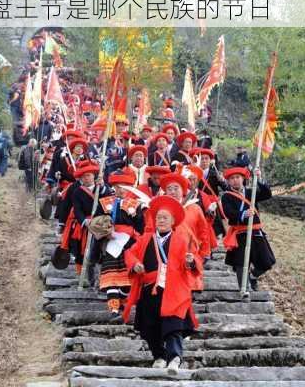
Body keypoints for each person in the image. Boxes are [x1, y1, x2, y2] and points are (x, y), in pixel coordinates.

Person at [123, 195, 200, 373]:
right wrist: (135, 264)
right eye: (158, 217)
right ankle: (159, 355)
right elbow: (129, 254)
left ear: (173, 221)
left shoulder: (181, 239)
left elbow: (192, 261)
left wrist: (190, 261)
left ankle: (175, 358)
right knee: (149, 326)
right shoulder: (145, 239)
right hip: (150, 288)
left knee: (173, 324)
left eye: (165, 217)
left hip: (174, 288)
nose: (162, 220)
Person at [92, 168, 145, 321]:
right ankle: (113, 309)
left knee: (126, 277)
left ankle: (123, 302)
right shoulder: (104, 203)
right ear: (114, 188)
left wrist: (138, 216)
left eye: (124, 187)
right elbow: (96, 222)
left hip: (129, 244)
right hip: (109, 242)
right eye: (118, 187)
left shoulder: (135, 205)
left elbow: (141, 227)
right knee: (112, 277)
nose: (121, 190)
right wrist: (104, 230)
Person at [221, 167, 276, 292]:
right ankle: (243, 289)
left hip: (256, 232)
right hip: (240, 233)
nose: (235, 181)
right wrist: (243, 214)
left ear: (243, 179)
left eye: (237, 177)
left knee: (268, 261)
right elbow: (228, 212)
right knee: (240, 263)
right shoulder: (227, 197)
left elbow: (267, 194)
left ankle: (253, 276)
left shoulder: (251, 192)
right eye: (232, 178)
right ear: (228, 181)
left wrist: (259, 178)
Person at [190, 147, 228, 237]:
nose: (204, 161)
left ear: (210, 160)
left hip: (212, 203)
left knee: (213, 227)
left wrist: (222, 181)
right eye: (202, 158)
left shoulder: (215, 173)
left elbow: (226, 188)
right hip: (198, 202)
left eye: (206, 158)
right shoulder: (193, 173)